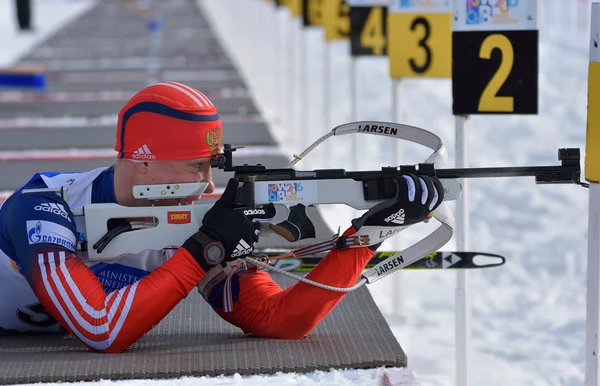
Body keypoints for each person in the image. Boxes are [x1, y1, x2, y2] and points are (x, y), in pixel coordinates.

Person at [0, 82, 444, 352]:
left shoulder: (186, 217)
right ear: (144, 162)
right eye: (196, 165)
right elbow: (101, 329)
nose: (209, 184)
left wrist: (366, 236)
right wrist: (204, 251)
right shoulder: (42, 205)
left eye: (212, 164)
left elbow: (278, 318)